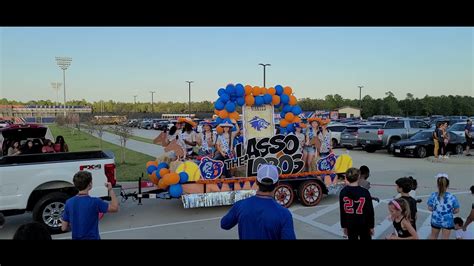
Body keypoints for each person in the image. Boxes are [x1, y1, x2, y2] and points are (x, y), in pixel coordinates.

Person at [220, 164, 296, 240]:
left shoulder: (240, 205)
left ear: (256, 181)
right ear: (277, 183)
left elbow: (224, 224)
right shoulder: (284, 214)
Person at [61, 171, 119, 240]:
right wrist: (110, 190)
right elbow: (115, 208)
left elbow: (64, 228)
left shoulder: (69, 202)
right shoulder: (95, 202)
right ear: (90, 184)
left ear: (75, 185)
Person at [339, 167, 375, 240]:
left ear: (346, 178)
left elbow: (342, 211)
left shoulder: (343, 192)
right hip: (364, 223)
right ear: (359, 177)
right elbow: (370, 211)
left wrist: (344, 226)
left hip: (350, 223)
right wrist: (371, 226)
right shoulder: (365, 192)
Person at [427, 173, 460, 239]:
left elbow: (430, 208)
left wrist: (436, 209)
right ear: (448, 185)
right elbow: (457, 210)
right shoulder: (452, 197)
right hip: (447, 221)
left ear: (437, 185)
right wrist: (450, 212)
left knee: (433, 236)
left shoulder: (433, 195)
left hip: (435, 220)